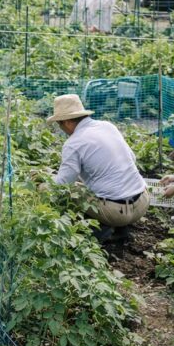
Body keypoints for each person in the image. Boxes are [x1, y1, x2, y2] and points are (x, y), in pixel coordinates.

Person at [47, 94, 148, 242]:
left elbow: (63, 184)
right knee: (101, 184)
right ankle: (122, 230)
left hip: (116, 213)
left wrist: (46, 182)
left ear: (67, 122)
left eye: (59, 124)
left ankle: (97, 233)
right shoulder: (107, 126)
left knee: (72, 193)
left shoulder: (73, 143)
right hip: (142, 203)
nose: (61, 129)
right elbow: (131, 158)